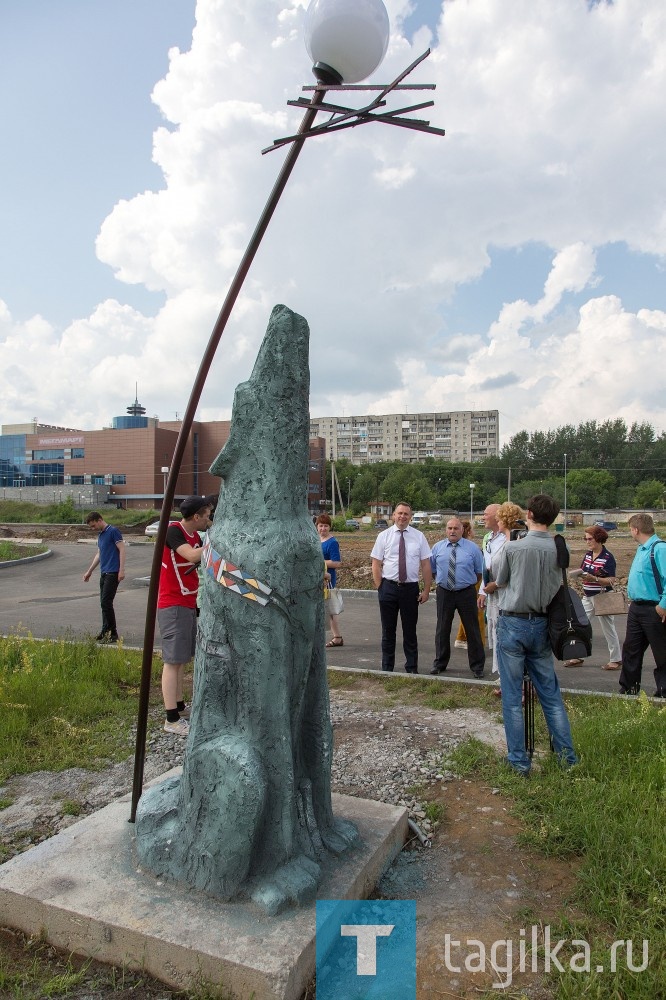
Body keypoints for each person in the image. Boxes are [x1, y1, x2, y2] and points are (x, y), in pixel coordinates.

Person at [494, 494, 578, 776]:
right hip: (544, 624)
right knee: (550, 695)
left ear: (528, 514)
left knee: (512, 696)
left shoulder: (513, 548)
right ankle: (568, 759)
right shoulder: (559, 549)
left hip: (514, 623)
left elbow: (501, 580)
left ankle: (518, 760)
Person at [158, 495, 212, 735]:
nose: (209, 520)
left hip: (188, 601)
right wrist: (217, 540)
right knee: (172, 660)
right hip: (173, 602)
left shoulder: (196, 536)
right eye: (207, 516)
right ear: (196, 516)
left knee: (181, 659)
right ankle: (171, 718)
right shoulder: (174, 531)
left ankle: (178, 706)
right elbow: (191, 556)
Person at [371, 502, 432, 673]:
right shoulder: (384, 536)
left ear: (410, 517)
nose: (402, 517)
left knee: (410, 632)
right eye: (399, 513)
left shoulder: (419, 536)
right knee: (388, 632)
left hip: (410, 590)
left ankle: (412, 669)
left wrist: (426, 589)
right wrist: (380, 587)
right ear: (393, 515)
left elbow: (426, 564)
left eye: (406, 514)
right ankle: (387, 668)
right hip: (388, 588)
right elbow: (376, 563)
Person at [430, 517, 485, 678]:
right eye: (449, 528)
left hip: (466, 592)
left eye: (456, 528)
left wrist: (465, 581)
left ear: (462, 530)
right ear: (446, 530)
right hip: (445, 592)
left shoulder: (473, 549)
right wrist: (443, 582)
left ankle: (477, 666)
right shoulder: (437, 548)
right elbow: (433, 570)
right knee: (442, 628)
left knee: (472, 629)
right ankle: (440, 663)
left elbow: (479, 571)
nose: (452, 531)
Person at [618, 513, 666, 698]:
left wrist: (663, 604)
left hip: (654, 608)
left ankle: (663, 692)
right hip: (637, 608)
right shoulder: (642, 548)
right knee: (631, 649)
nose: (630, 532)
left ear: (636, 529)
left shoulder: (659, 549)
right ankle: (629, 689)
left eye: (630, 529)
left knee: (661, 652)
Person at [565, 525, 622, 670]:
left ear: (598, 538)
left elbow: (611, 580)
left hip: (602, 597)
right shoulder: (588, 555)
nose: (587, 541)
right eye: (585, 538)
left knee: (608, 628)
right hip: (588, 596)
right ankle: (578, 655)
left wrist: (594, 579)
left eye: (589, 538)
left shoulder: (607, 557)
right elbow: (584, 570)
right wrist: (579, 575)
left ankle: (616, 659)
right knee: (580, 625)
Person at [478, 502, 519, 691]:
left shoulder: (512, 541)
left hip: (504, 593)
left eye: (486, 514)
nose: (483, 517)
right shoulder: (489, 538)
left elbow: (510, 569)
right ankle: (502, 676)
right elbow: (486, 566)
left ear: (499, 517)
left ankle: (509, 680)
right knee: (494, 631)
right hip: (492, 591)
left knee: (504, 634)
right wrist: (482, 590)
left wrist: (496, 584)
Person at [82, 512, 125, 643]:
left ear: (100, 520)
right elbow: (100, 554)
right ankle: (105, 630)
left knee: (106, 602)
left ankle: (113, 633)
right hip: (104, 572)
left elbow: (122, 549)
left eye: (93, 525)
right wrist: (89, 571)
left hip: (113, 572)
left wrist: (121, 570)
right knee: (103, 603)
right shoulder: (101, 535)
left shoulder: (113, 531)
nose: (92, 528)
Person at [454, 519, 487, 650]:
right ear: (468, 531)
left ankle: (461, 638)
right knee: (477, 611)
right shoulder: (470, 547)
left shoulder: (465, 546)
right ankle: (478, 642)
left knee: (467, 612)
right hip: (473, 582)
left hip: (466, 582)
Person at [317, 513, 343, 647]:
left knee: (331, 609)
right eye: (321, 526)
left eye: (326, 526)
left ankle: (337, 636)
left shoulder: (332, 542)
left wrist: (319, 562)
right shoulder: (316, 540)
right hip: (317, 579)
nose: (323, 528)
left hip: (328, 580)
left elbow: (337, 563)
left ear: (329, 527)